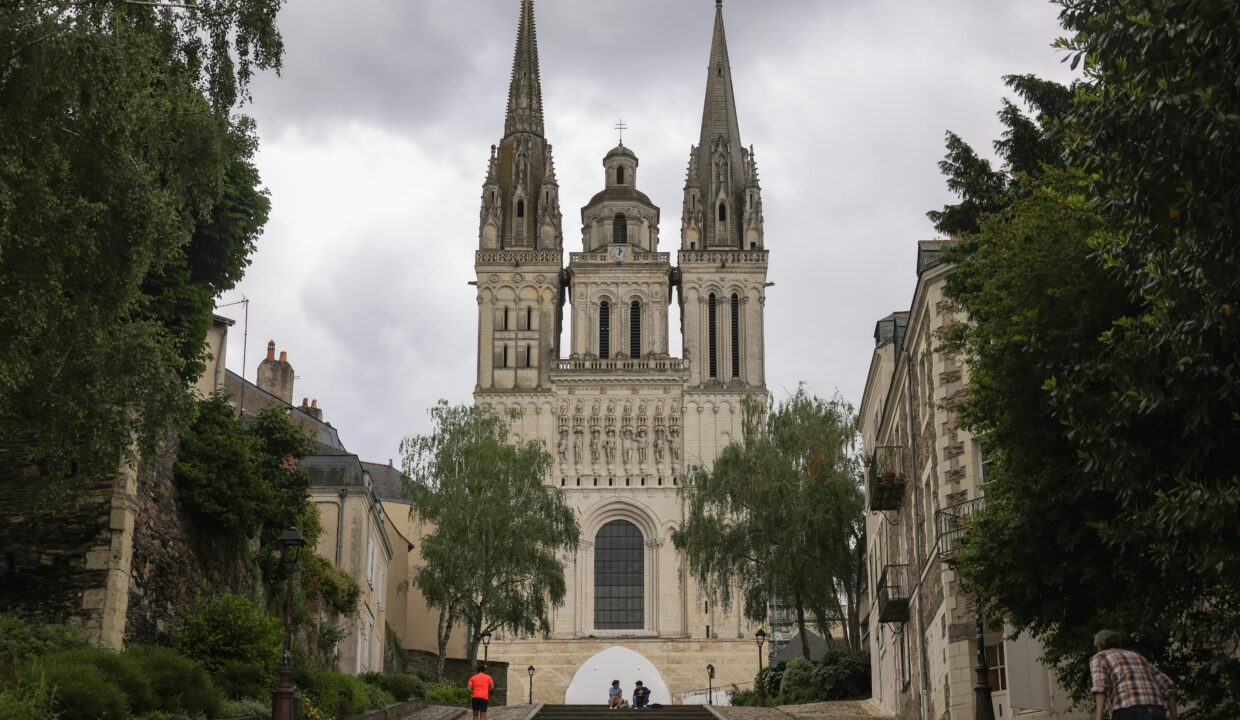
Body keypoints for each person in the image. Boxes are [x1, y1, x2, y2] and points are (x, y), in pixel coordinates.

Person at [1090, 630, 1177, 720]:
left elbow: (1100, 687)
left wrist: (1098, 718)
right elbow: (1168, 685)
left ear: (1099, 647)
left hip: (1128, 709)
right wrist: (1174, 717)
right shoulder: (1138, 656)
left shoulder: (1100, 657)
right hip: (1156, 709)